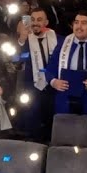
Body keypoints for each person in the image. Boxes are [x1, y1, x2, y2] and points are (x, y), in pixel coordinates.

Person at [45, 10, 87, 117]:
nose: (79, 27)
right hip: (65, 93)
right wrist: (54, 82)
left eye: (84, 23)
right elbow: (51, 67)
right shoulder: (63, 43)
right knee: (65, 125)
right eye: (76, 22)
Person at [16, 8, 59, 141]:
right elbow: (18, 60)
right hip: (32, 86)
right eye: (33, 20)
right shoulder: (25, 40)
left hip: (52, 85)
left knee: (51, 120)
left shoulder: (55, 37)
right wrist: (22, 40)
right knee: (33, 121)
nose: (35, 23)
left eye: (39, 20)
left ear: (46, 22)